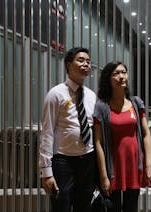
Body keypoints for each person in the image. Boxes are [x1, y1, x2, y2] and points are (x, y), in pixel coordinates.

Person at [39, 47, 97, 212]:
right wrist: (46, 172)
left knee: (84, 205)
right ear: (68, 65)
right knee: (61, 206)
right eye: (80, 60)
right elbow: (47, 133)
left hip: (87, 159)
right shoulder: (56, 94)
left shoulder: (91, 96)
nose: (85, 64)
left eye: (88, 61)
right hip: (63, 161)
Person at [93, 62, 151, 212]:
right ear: (108, 79)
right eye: (116, 73)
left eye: (124, 72)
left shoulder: (136, 103)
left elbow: (146, 134)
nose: (121, 77)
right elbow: (98, 143)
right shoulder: (102, 106)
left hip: (134, 165)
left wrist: (148, 164)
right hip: (113, 168)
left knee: (131, 207)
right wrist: (103, 176)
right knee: (113, 208)